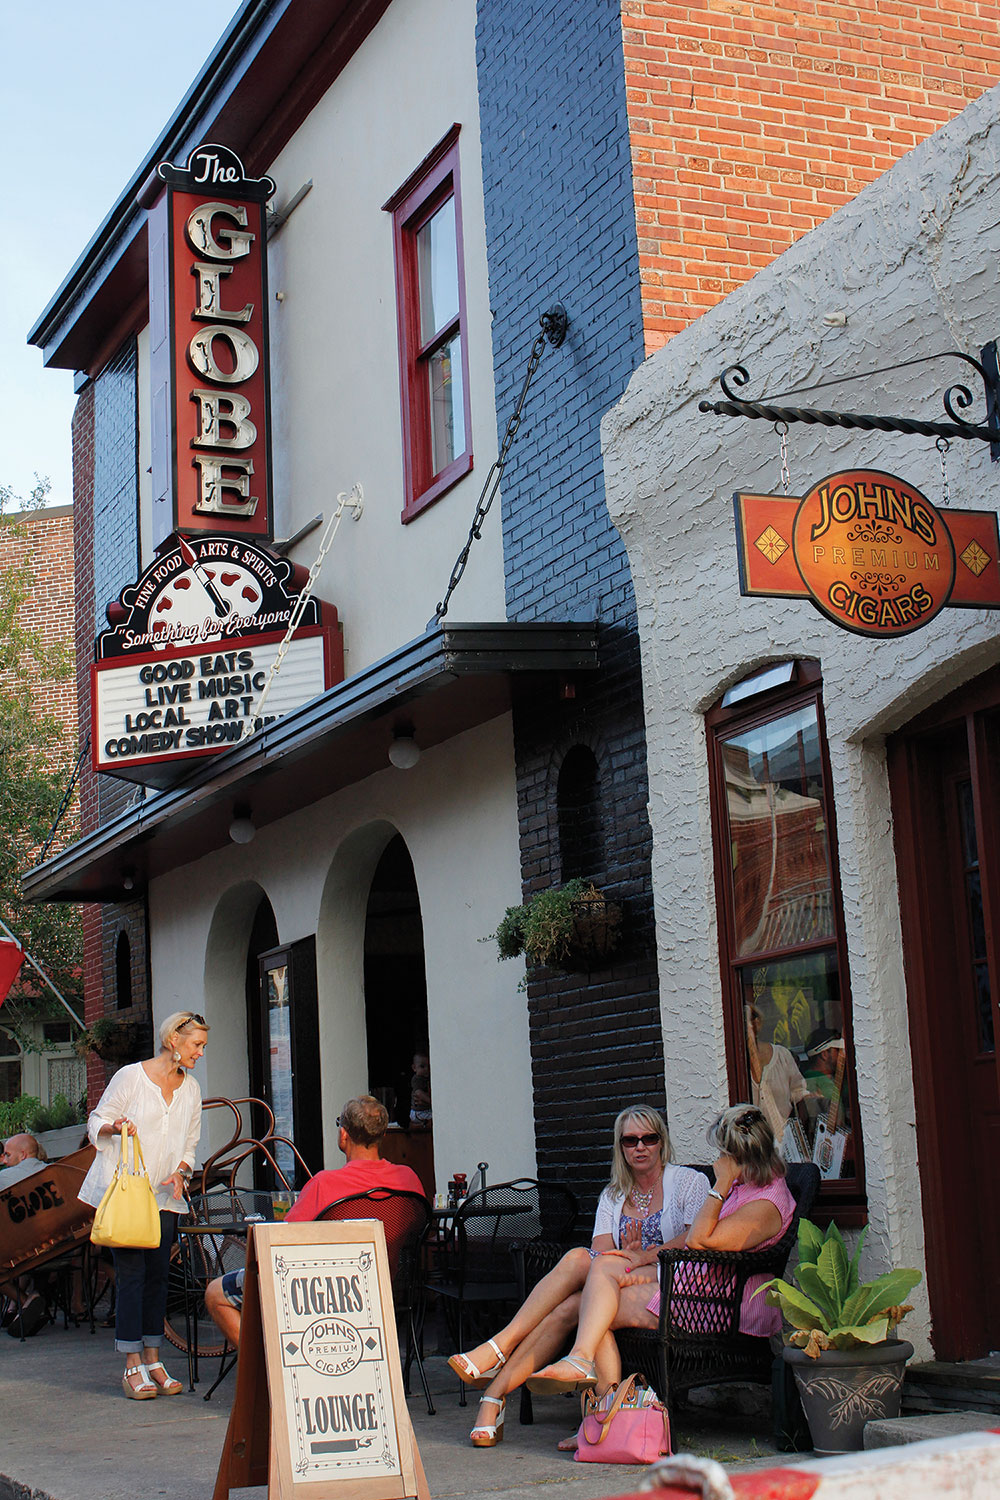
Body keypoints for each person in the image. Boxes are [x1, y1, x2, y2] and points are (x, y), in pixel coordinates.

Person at [448, 1103, 709, 1447]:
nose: (641, 1147)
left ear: (663, 1142)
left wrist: (644, 1254)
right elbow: (601, 1248)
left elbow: (694, 1239)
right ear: (620, 1147)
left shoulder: (690, 1182)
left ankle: (498, 1369)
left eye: (649, 1138)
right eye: (630, 1141)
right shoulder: (614, 1194)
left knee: (583, 1287)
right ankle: (501, 1393)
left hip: (670, 1285)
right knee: (577, 1285)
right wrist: (627, 1257)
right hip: (619, 1280)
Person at [528, 1103, 796, 1402]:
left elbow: (698, 1239)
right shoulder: (744, 1187)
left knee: (594, 1309)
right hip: (694, 1290)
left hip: (726, 1306)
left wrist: (719, 1183)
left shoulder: (765, 1204)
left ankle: (603, 1412)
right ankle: (597, 1400)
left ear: (740, 1157)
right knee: (597, 1292)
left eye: (724, 1155)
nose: (719, 1161)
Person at [205, 1094, 424, 1347]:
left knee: (215, 1293)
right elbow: (420, 1233)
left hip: (321, 1296)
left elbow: (283, 1243)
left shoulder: (324, 1184)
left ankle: (269, 1369)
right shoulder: (408, 1181)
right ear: (383, 1136)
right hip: (382, 1288)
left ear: (343, 1135)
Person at [78, 1010, 208, 1400]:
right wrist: (116, 1127)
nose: (200, 1053)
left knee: (158, 1279)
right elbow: (96, 1119)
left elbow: (190, 1143)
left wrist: (182, 1172)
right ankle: (132, 1364)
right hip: (129, 1196)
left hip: (165, 1196)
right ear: (174, 1041)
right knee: (132, 1277)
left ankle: (154, 1359)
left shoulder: (191, 1088)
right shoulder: (131, 1077)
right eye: (196, 1045)